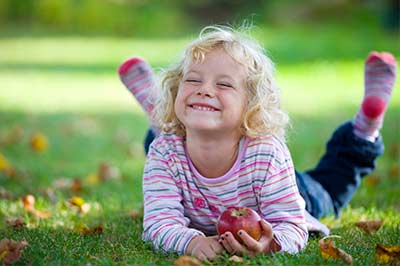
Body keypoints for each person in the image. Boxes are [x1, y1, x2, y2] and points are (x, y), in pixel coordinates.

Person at [118, 26, 397, 261]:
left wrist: (272, 243)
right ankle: (162, 111)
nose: (204, 89)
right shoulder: (165, 152)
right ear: (178, 91)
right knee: (164, 138)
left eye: (224, 85)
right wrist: (191, 242)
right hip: (187, 151)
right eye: (192, 81)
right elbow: (158, 223)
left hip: (281, 188)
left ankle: (365, 128)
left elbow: (291, 224)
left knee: (330, 188)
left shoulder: (267, 153)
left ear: (250, 107)